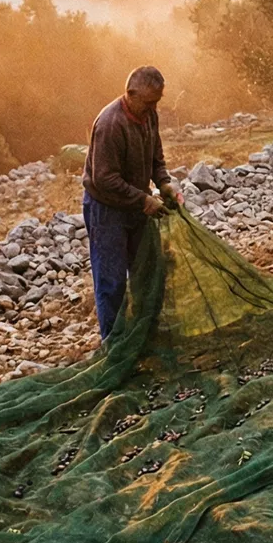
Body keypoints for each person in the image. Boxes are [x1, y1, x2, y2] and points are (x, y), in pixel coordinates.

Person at [83, 66, 178, 341]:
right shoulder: (110, 124)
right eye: (149, 102)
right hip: (106, 210)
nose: (153, 108)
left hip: (137, 204)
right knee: (111, 282)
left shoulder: (149, 115)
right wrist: (144, 199)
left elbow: (155, 156)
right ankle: (114, 344)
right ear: (130, 94)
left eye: (157, 102)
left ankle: (145, 335)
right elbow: (104, 179)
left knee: (147, 272)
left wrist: (164, 182)